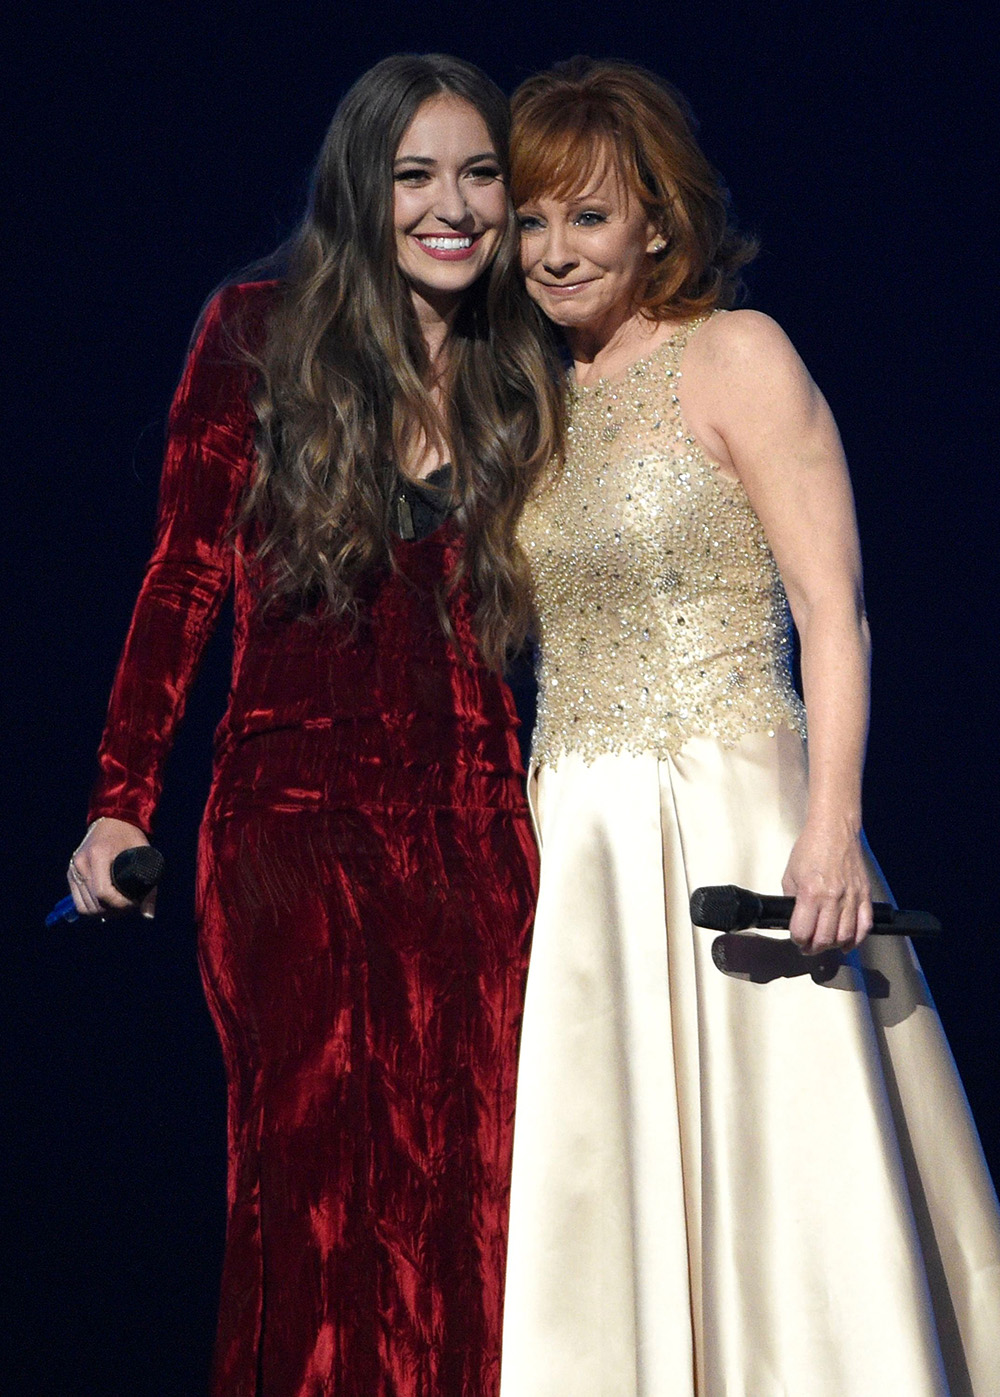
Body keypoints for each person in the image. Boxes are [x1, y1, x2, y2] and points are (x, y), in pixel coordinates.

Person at [498, 57, 1000, 1397]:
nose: (554, 251)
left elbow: (834, 610)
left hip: (736, 823)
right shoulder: (534, 408)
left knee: (790, 1200)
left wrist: (828, 834)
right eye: (533, 221)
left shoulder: (737, 351)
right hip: (589, 864)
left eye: (587, 217)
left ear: (657, 219)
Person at [64, 54, 561, 1396]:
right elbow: (182, 574)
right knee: (322, 1213)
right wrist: (123, 794)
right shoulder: (257, 328)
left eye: (477, 174)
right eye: (415, 175)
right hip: (290, 830)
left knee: (476, 1214)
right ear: (362, 187)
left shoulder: (527, 368)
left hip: (475, 840)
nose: (450, 206)